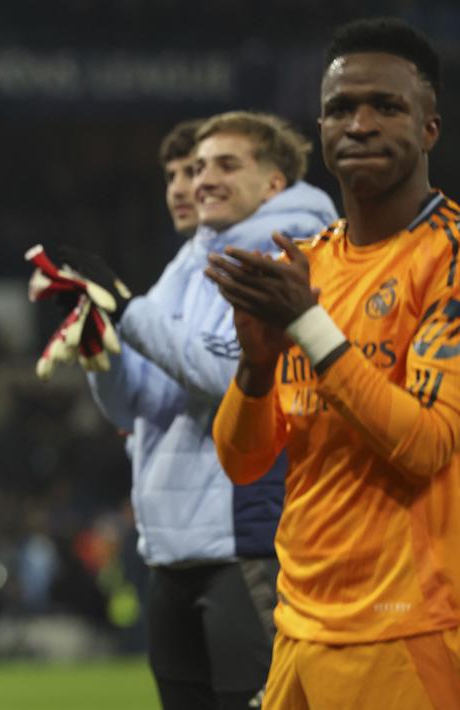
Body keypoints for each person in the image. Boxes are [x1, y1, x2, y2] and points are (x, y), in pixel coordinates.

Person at [206, 18, 460, 708]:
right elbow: (242, 462)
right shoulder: (306, 264)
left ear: (429, 129)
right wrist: (256, 370)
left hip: (407, 631)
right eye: (340, 108)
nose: (360, 124)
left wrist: (308, 325)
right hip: (298, 626)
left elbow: (428, 444)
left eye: (386, 106)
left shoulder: (449, 257)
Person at [80, 113, 337, 709]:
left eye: (226, 164)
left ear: (274, 183)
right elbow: (130, 404)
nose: (201, 181)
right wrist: (101, 352)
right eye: (197, 168)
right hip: (170, 545)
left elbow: (236, 377)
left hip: (245, 534)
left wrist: (127, 310)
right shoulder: (190, 262)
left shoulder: (289, 250)